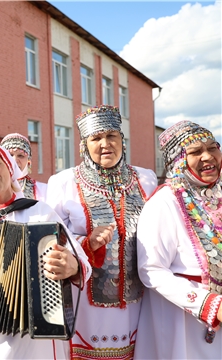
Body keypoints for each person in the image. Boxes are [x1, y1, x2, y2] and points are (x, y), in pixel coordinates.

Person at [0, 143, 91, 359]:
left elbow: (81, 261)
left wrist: (73, 266)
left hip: (33, 333)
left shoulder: (40, 212)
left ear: (10, 169)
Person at [45, 105, 157, 359]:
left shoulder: (146, 178)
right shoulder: (63, 182)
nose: (105, 144)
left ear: (122, 140)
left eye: (111, 136)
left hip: (139, 299)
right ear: (85, 145)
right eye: (96, 138)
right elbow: (50, 240)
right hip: (86, 299)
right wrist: (86, 242)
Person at [135, 121, 222, 358]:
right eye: (195, 152)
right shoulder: (164, 203)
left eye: (213, 147)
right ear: (178, 160)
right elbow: (151, 269)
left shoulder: (219, 195)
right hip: (183, 320)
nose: (208, 156)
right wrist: (210, 304)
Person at [1, 133, 47, 201]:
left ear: (28, 160)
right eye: (10, 155)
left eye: (21, 156)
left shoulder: (43, 190)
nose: (15, 161)